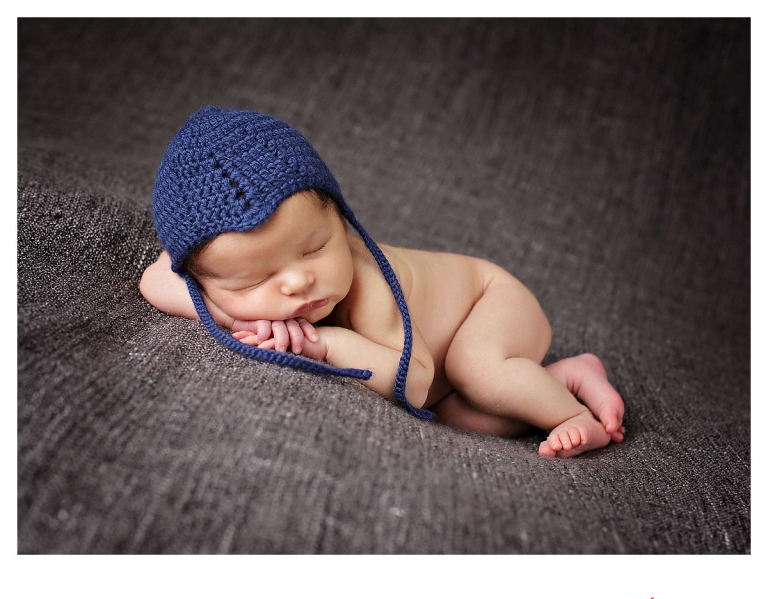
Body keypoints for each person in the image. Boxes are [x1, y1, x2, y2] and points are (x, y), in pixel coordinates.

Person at [142, 106, 625, 457]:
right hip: (444, 380)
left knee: (476, 369)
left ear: (341, 219)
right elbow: (155, 279)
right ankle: (567, 376)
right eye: (254, 279)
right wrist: (238, 316)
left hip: (490, 299)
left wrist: (324, 344)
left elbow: (414, 383)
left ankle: (574, 416)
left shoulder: (368, 283)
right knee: (465, 416)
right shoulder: (216, 265)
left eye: (314, 248)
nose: (298, 281)